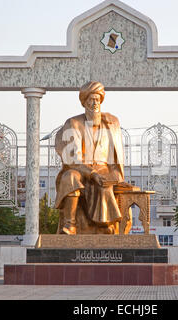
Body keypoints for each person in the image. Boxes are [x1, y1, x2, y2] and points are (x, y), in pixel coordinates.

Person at [54, 81, 125, 234]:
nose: (94, 103)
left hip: (104, 169)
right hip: (80, 168)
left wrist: (112, 175)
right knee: (70, 177)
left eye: (97, 99)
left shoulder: (111, 122)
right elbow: (73, 159)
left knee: (104, 184)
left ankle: (105, 225)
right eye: (91, 99)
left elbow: (115, 158)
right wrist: (92, 174)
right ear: (84, 102)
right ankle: (70, 225)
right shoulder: (73, 123)